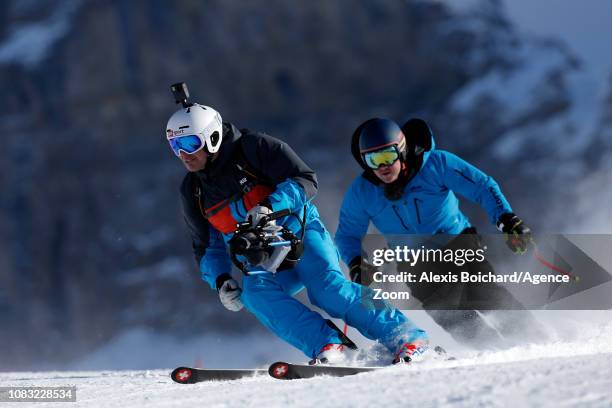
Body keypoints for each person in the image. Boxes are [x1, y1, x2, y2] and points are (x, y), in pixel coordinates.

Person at [165, 98, 429, 364]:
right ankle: (331, 346)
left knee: (327, 291)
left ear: (211, 138)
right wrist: (221, 280)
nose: (184, 155)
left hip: (300, 233)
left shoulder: (253, 148)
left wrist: (269, 207)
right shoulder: (194, 191)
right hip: (261, 256)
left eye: (190, 144)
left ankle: (405, 335)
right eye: (176, 146)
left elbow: (305, 179)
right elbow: (206, 245)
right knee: (255, 295)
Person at [335, 118, 535, 346]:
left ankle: (534, 338)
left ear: (401, 149)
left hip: (456, 242)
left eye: (387, 156)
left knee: (484, 295)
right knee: (448, 313)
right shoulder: (363, 192)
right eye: (373, 160)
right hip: (413, 261)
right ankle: (491, 350)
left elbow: (482, 186)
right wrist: (356, 263)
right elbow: (347, 234)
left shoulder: (436, 164)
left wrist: (505, 219)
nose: (382, 167)